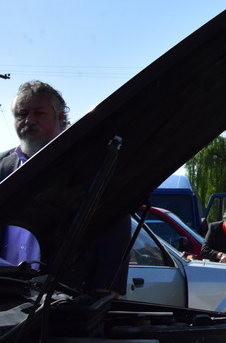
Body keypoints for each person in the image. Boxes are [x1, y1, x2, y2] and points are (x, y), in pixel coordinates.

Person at [1, 80, 130, 296]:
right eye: (21, 114)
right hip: (6, 293)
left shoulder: (89, 165)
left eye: (39, 113)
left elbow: (115, 218)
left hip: (64, 298)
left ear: (61, 117)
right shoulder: (3, 166)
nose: (29, 120)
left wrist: (106, 289)